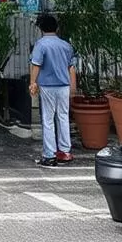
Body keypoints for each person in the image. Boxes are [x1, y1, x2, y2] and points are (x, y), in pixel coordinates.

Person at [29, 13, 77, 168]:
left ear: (41, 28)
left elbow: (36, 64)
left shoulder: (41, 45)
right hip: (64, 86)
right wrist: (73, 87)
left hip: (48, 86)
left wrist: (32, 83)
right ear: (57, 28)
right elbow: (71, 68)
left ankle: (49, 155)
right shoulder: (66, 45)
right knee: (63, 117)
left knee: (48, 119)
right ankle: (65, 152)